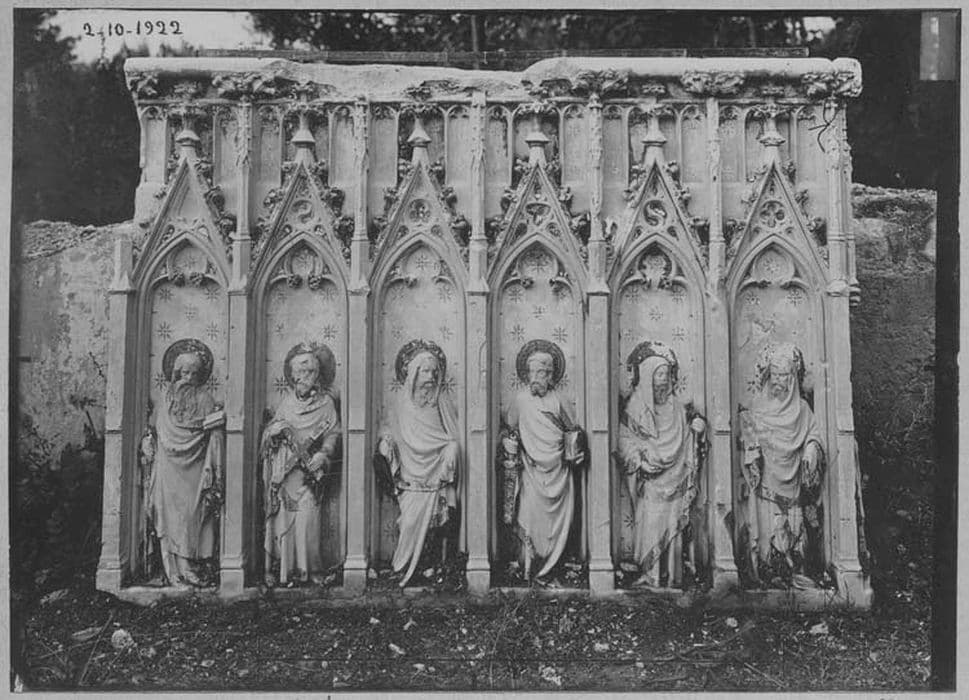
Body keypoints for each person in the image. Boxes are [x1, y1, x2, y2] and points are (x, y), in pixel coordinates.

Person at [617, 347, 705, 587]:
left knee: (673, 526)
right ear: (647, 377)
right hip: (650, 479)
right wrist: (640, 461)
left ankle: (672, 575)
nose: (663, 380)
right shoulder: (636, 407)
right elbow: (624, 440)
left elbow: (687, 436)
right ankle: (650, 574)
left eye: (666, 374)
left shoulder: (677, 407)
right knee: (650, 524)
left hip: (676, 475)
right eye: (659, 374)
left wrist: (697, 430)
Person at [739, 342, 824, 587]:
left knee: (792, 526)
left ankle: (793, 570)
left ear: (793, 378)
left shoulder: (802, 410)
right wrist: (752, 448)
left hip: (793, 477)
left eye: (783, 375)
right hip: (767, 478)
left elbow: (814, 435)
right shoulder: (758, 407)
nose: (778, 380)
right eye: (774, 374)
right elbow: (747, 434)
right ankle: (767, 568)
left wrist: (811, 449)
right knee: (770, 524)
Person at [377, 343, 460, 587]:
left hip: (436, 471)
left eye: (435, 372)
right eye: (426, 371)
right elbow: (389, 429)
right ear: (413, 372)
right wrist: (386, 441)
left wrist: (451, 451)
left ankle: (429, 568)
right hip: (410, 472)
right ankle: (403, 566)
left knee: (437, 523)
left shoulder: (440, 400)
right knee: (410, 521)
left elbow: (453, 435)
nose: (431, 376)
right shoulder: (400, 402)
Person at [503, 342, 585, 582]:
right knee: (529, 516)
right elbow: (509, 430)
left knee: (555, 525)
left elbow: (573, 430)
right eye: (532, 372)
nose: (536, 378)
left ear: (550, 375)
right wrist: (509, 443)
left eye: (542, 373)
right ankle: (529, 567)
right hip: (531, 470)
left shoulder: (559, 400)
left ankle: (553, 566)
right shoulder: (520, 400)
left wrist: (576, 450)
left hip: (558, 471)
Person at [146, 341, 225, 587]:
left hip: (197, 466)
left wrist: (215, 427)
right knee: (171, 515)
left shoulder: (205, 398)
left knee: (192, 514)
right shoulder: (166, 398)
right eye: (184, 373)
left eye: (194, 374)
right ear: (175, 373)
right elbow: (157, 427)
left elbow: (210, 427)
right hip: (169, 466)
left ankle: (190, 565)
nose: (188, 378)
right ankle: (176, 570)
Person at [262, 343, 342, 586]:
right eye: (300, 372)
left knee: (308, 520)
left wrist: (324, 454)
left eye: (310, 372)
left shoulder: (326, 404)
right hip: (286, 474)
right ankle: (285, 571)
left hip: (309, 475)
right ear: (292, 375)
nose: (305, 377)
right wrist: (274, 433)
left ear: (318, 375)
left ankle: (310, 570)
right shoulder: (286, 404)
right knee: (283, 521)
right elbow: (269, 435)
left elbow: (333, 434)